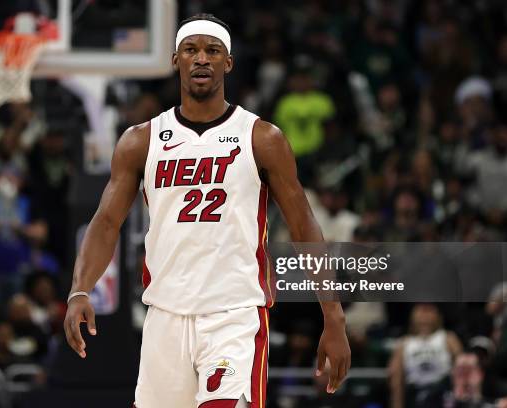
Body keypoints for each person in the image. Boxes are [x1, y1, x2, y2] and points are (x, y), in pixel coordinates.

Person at [64, 14, 351, 408]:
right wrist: (81, 289)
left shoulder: (262, 138)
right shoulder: (140, 141)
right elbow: (106, 222)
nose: (202, 59)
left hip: (232, 314)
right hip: (164, 314)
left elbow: (304, 225)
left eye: (212, 51)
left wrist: (332, 315)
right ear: (175, 59)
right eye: (191, 50)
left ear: (228, 62)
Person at [389, 303, 463, 408]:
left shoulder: (448, 338)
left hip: (443, 394)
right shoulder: (404, 343)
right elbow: (396, 380)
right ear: (412, 315)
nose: (425, 316)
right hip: (416, 395)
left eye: (429, 311)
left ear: (438, 315)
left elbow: (462, 368)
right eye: (420, 311)